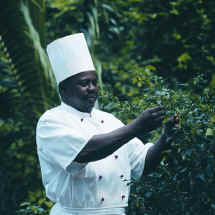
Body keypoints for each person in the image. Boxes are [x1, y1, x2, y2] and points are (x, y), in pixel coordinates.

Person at [36, 33, 179, 215]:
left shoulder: (109, 120)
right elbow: (86, 151)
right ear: (63, 89)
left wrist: (166, 138)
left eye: (95, 82)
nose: (92, 88)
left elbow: (143, 164)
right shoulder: (51, 121)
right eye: (84, 83)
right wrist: (136, 127)